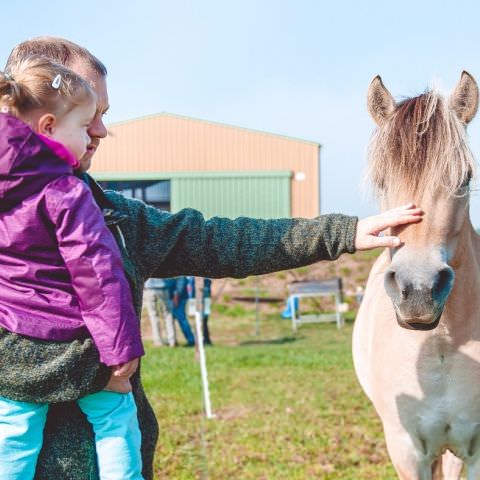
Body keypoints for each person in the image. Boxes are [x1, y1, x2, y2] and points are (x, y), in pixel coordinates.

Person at [0, 36, 423, 480]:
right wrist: (97, 365)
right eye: (91, 115)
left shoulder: (117, 217)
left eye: (102, 114)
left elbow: (220, 240)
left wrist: (344, 232)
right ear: (39, 118)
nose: (102, 131)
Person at [0, 57, 144, 479]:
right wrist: (120, 350)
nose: (93, 136)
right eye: (84, 127)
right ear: (48, 128)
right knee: (116, 414)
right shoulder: (65, 190)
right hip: (74, 338)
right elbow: (96, 273)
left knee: (12, 433)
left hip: (11, 341)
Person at [143, 278, 176, 347]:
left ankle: (158, 341)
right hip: (163, 287)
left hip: (149, 288)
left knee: (153, 316)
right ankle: (172, 341)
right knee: (168, 314)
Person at [166, 277, 196, 346]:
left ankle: (191, 340)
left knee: (182, 319)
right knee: (173, 319)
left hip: (178, 298)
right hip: (175, 297)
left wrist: (176, 295)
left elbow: (181, 280)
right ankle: (173, 341)